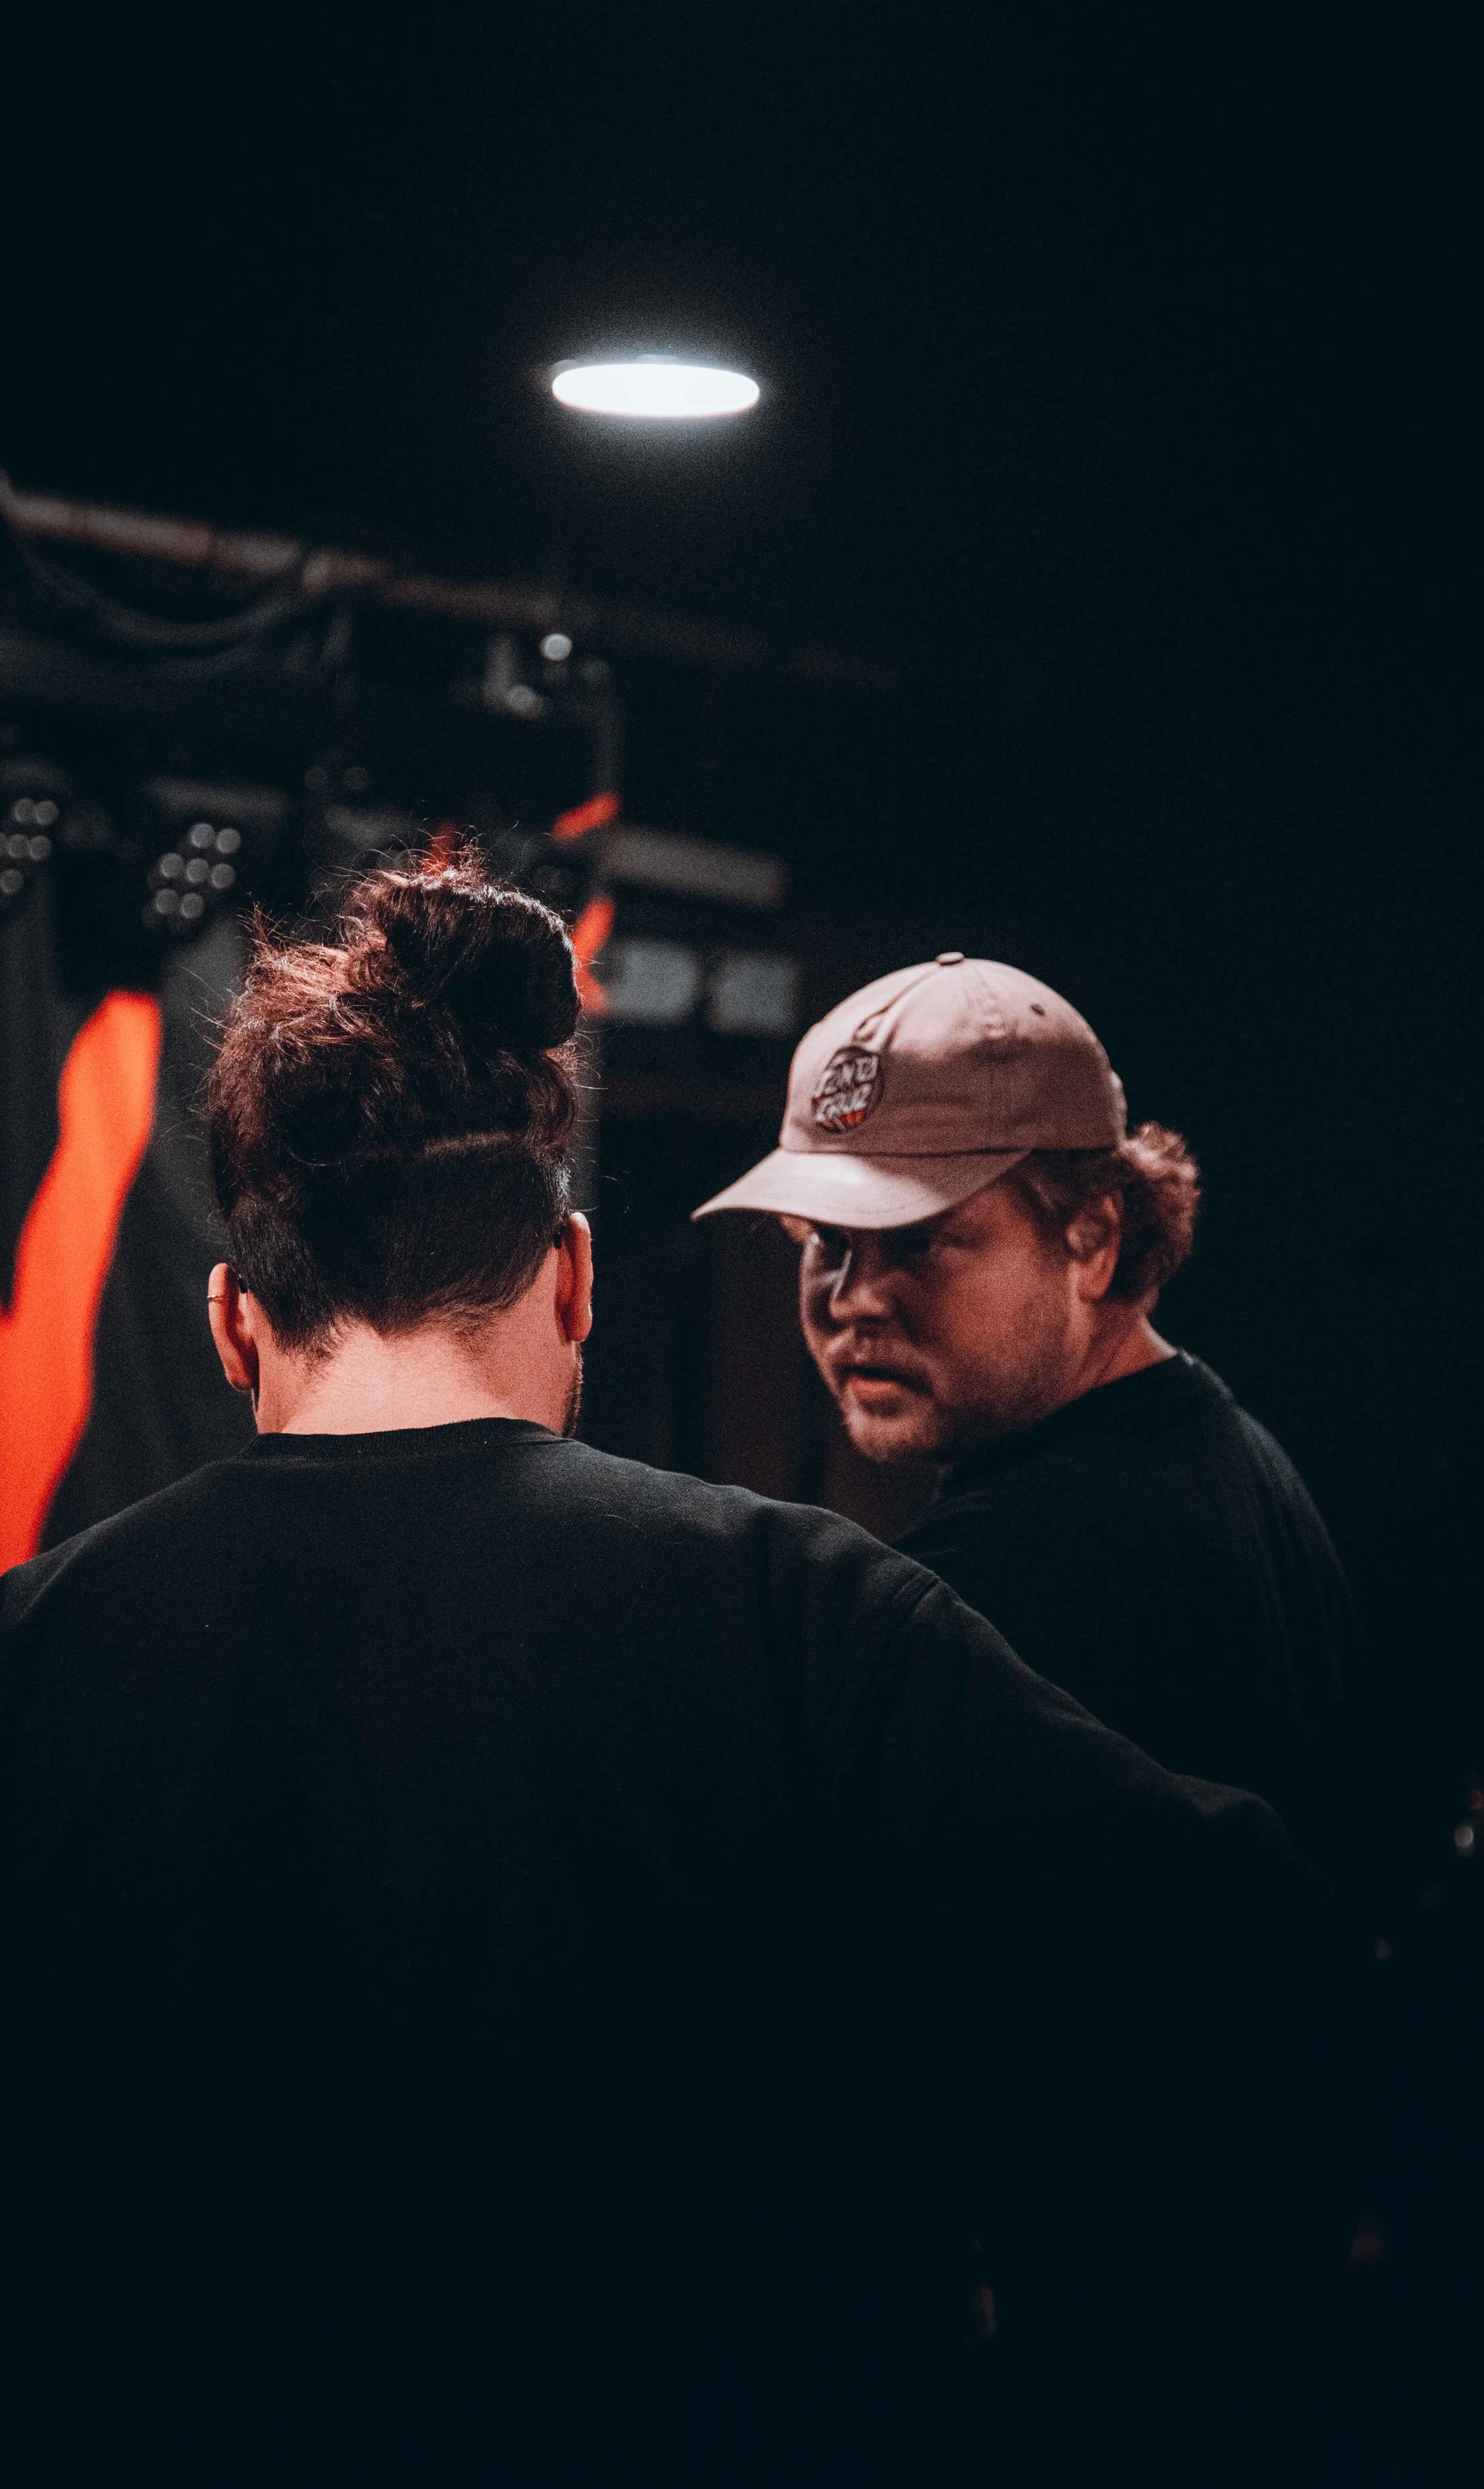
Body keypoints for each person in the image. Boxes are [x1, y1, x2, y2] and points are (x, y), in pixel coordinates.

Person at [1, 864, 1330, 2486]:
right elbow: (1233, 1920)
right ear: (569, 1278)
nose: (851, 1300)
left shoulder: (37, 1648)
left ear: (227, 1321)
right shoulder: (798, 1607)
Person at [696, 952, 1353, 1867]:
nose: (853, 1297)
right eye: (828, 1243)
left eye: (919, 1241)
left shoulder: (1013, 1566)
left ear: (1091, 1238)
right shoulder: (1228, 1451)